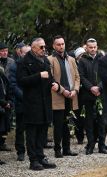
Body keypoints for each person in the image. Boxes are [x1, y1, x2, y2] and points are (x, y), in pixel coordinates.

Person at [17, 38, 58, 170]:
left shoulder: (45, 60)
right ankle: (33, 160)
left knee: (42, 131)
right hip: (32, 103)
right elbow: (21, 81)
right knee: (32, 133)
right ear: (33, 48)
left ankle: (41, 157)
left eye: (44, 46)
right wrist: (38, 75)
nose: (43, 49)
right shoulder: (24, 62)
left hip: (45, 102)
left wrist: (54, 83)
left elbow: (49, 76)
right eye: (41, 47)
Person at [47, 35, 80, 158]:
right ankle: (57, 149)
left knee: (68, 123)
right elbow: (51, 79)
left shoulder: (71, 59)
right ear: (54, 46)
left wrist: (75, 90)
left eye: (62, 44)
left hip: (71, 96)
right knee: (59, 124)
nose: (61, 46)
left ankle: (67, 149)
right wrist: (63, 91)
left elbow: (77, 76)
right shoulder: (50, 59)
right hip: (58, 96)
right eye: (58, 44)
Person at [78, 38, 107, 155]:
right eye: (91, 47)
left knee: (102, 121)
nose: (93, 49)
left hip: (100, 94)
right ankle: (90, 144)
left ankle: (101, 145)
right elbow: (81, 76)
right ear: (86, 47)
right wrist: (91, 87)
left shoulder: (102, 59)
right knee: (89, 121)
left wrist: (99, 87)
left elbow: (105, 75)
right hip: (88, 94)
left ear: (97, 46)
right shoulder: (83, 60)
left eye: (95, 47)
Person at [9, 45, 30, 161]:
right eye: (25, 53)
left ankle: (34, 149)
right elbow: (13, 85)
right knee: (20, 128)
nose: (27, 55)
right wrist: (24, 97)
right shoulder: (14, 66)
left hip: (33, 102)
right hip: (21, 101)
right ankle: (20, 151)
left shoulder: (33, 64)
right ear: (20, 53)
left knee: (33, 127)